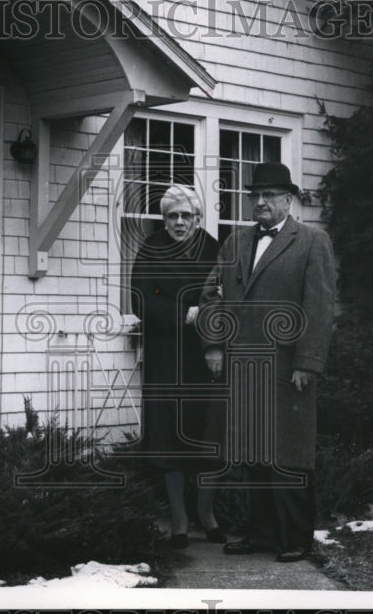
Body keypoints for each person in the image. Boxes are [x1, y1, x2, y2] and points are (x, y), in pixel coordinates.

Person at [198, 162, 337, 562]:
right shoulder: (235, 243)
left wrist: (308, 362)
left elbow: (321, 306)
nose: (260, 202)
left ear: (288, 200)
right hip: (241, 368)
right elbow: (211, 295)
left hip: (286, 368)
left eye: (270, 196)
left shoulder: (312, 242)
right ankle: (258, 534)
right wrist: (213, 345)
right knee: (248, 454)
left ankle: (294, 538)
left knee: (288, 456)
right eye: (255, 195)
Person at [131, 184, 225, 549]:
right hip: (166, 355)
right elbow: (141, 297)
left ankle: (208, 514)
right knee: (169, 434)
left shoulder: (214, 248)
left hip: (208, 354)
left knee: (207, 433)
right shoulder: (151, 248)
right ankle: (179, 519)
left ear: (198, 218)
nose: (180, 222)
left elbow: (223, 293)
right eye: (173, 216)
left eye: (186, 216)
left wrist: (209, 318)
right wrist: (185, 313)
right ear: (164, 219)